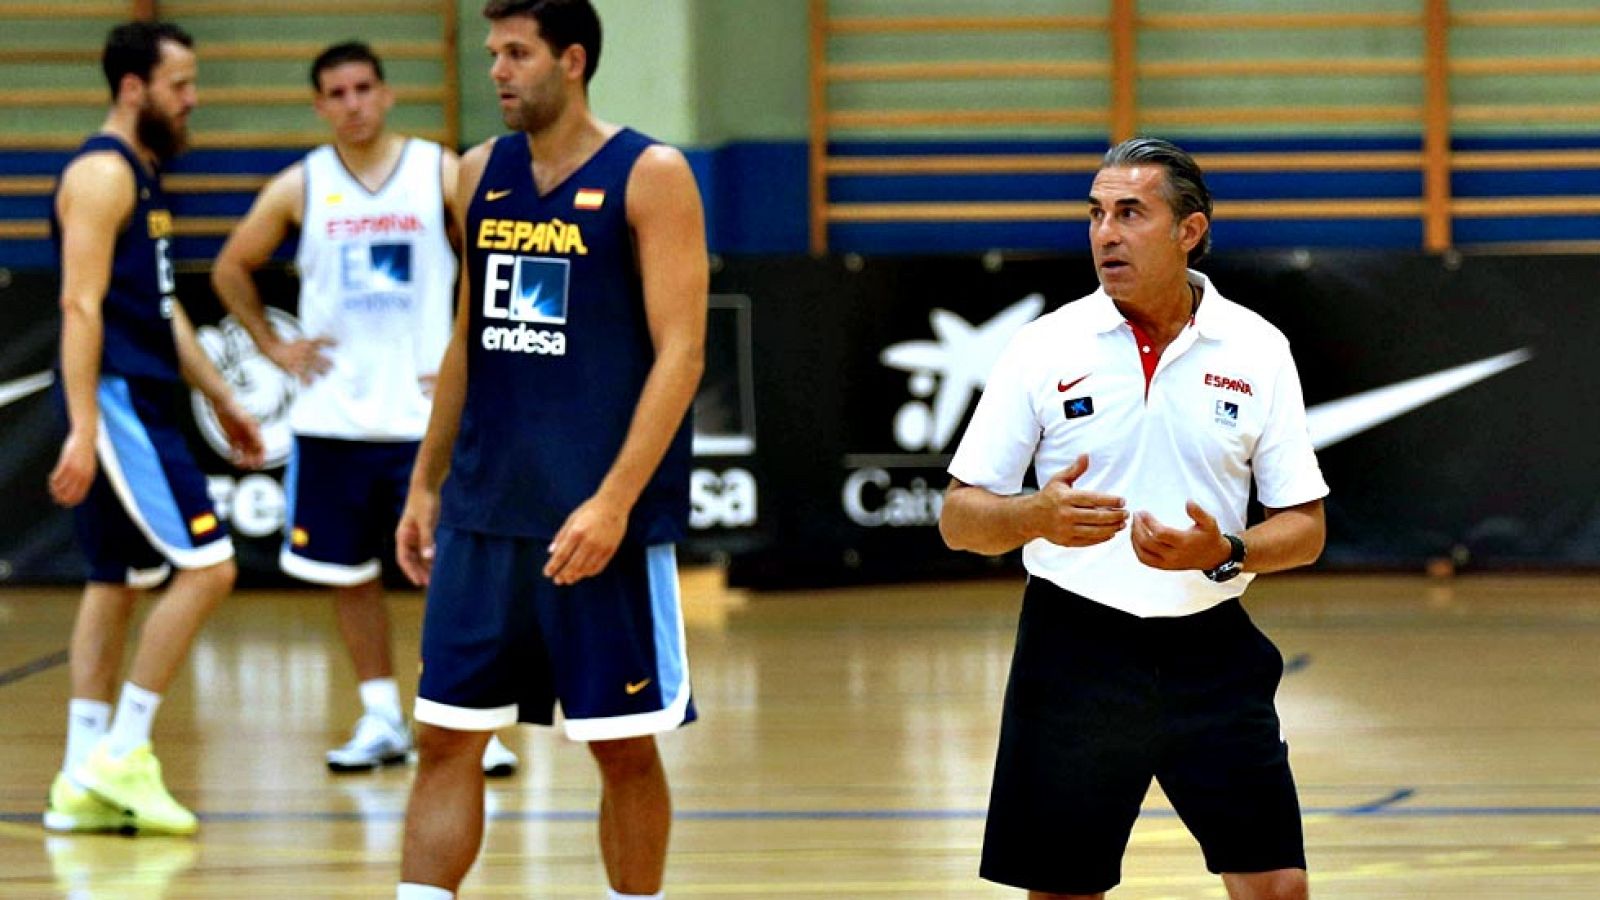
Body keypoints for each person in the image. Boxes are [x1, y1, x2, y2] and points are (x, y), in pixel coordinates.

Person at [939, 137, 1329, 900]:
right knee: (1061, 889)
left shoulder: (1257, 348)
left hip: (1212, 651)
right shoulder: (1043, 346)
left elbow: (1305, 527)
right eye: (1095, 214)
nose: (1105, 234)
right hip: (1073, 648)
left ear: (1189, 231)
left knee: (1278, 886)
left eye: (1130, 213)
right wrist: (1035, 515)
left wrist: (1228, 548)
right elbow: (960, 518)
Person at [391, 1, 707, 897]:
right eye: (492, 52)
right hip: (485, 512)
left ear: (571, 60)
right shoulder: (473, 174)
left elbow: (682, 353)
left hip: (596, 519)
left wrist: (612, 502)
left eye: (516, 53)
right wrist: (426, 482)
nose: (496, 69)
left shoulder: (651, 174)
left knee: (620, 746)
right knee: (446, 736)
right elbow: (469, 334)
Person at [210, 41, 518, 777]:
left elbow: (497, 252)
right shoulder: (300, 186)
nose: (352, 104)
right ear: (320, 105)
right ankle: (381, 713)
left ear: (385, 94)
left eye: (362, 89)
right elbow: (229, 266)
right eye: (336, 93)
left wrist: (466, 346)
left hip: (423, 421)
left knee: (452, 574)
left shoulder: (439, 170)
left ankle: (472, 718)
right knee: (346, 577)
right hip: (333, 422)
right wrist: (271, 346)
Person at [44, 21, 265, 837]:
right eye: (181, 84)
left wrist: (223, 399)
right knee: (210, 569)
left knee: (117, 581)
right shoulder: (104, 174)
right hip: (118, 403)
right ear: (134, 89)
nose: (192, 98)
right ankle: (125, 753)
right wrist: (80, 425)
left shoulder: (140, 173)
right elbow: (79, 305)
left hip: (136, 393)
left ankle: (78, 776)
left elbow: (160, 311)